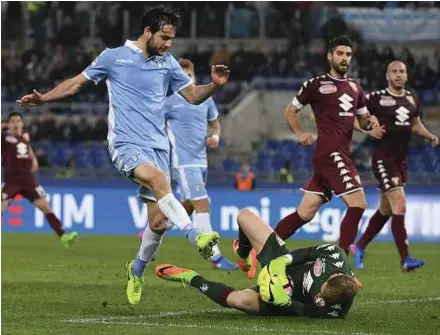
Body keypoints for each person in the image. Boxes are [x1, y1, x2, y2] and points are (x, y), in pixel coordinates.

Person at [17, 6, 230, 305]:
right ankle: (197, 236)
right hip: (126, 144)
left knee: (158, 224)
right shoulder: (113, 57)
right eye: (164, 37)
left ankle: (137, 269)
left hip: (158, 148)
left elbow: (193, 96)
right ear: (147, 32)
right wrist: (45, 98)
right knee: (157, 180)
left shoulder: (167, 63)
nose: (169, 44)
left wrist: (214, 87)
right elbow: (77, 82)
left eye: (171, 39)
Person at [273, 35, 381, 255]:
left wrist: (371, 122)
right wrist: (299, 132)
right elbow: (290, 111)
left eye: (348, 54)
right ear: (330, 55)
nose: (344, 58)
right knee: (358, 204)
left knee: (305, 212)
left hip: (338, 154)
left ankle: (261, 248)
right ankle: (339, 266)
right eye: (340, 53)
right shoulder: (316, 85)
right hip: (331, 153)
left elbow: (360, 121)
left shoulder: (356, 88)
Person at [156, 209, 358, 318]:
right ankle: (244, 256)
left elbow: (305, 311)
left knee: (238, 301)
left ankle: (190, 277)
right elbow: (308, 253)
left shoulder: (334, 310)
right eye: (322, 289)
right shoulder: (336, 256)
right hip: (284, 265)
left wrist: (285, 303)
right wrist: (282, 261)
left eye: (321, 295)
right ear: (334, 275)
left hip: (281, 296)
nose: (319, 293)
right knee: (245, 216)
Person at [351, 61, 438, 272]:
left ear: (406, 76)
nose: (398, 75)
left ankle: (359, 246)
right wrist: (367, 131)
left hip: (401, 160)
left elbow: (415, 124)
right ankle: (405, 259)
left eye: (402, 72)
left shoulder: (412, 99)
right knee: (399, 203)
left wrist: (429, 135)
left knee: (386, 209)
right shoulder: (376, 98)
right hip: (383, 158)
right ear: (387, 76)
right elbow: (352, 117)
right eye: (394, 72)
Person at [165, 58, 237, 270]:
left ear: (194, 76)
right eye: (182, 76)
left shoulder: (206, 99)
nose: (187, 79)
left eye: (190, 75)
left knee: (187, 206)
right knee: (202, 204)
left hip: (201, 161)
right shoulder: (168, 101)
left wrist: (215, 136)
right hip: (183, 163)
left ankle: (154, 231)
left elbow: (215, 124)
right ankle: (215, 257)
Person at [1, 112, 79, 248]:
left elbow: (30, 155)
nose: (15, 124)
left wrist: (34, 162)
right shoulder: (4, 138)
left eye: (18, 121)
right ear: (8, 124)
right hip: (11, 181)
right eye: (12, 121)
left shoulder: (25, 138)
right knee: (1, 209)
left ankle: (64, 236)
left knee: (45, 206)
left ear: (22, 123)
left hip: (28, 180)